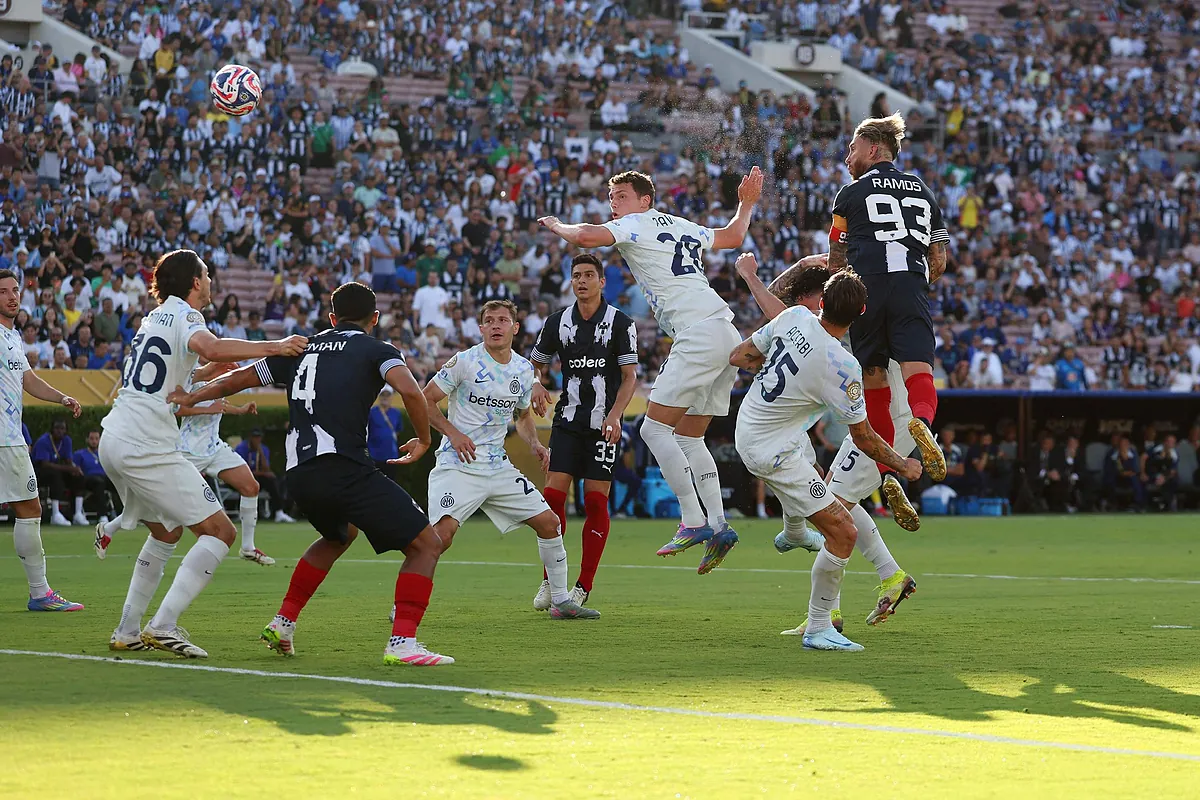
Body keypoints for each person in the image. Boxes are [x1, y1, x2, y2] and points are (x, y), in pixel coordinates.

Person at [169, 281, 453, 666]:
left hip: (300, 473)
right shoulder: (377, 349)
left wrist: (191, 396)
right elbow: (411, 391)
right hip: (344, 467)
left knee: (338, 535)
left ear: (332, 318)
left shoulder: (299, 347)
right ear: (375, 318)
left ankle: (283, 622)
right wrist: (423, 439)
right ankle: (402, 643)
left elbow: (237, 379)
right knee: (427, 545)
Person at [538, 167, 764, 573]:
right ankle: (718, 523)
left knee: (651, 429)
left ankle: (693, 521)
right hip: (725, 332)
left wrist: (556, 224)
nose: (614, 204)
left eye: (621, 195)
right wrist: (746, 203)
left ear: (644, 200)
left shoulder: (636, 223)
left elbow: (587, 236)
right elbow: (732, 237)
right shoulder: (678, 224)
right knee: (691, 437)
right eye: (612, 197)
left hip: (697, 332)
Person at [100, 249, 307, 658]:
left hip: (116, 436)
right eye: (207, 275)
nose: (211, 281)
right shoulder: (187, 316)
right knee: (220, 532)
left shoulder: (154, 318)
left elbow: (193, 365)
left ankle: (127, 629)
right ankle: (164, 625)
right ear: (195, 282)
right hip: (147, 446)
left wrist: (209, 375)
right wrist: (276, 346)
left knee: (166, 532)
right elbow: (209, 348)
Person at [728, 267, 921, 652]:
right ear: (861, 311)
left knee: (821, 477)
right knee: (843, 531)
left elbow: (741, 355)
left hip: (751, 424)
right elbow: (863, 436)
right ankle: (820, 626)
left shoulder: (794, 316)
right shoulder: (842, 365)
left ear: (820, 302)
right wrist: (903, 464)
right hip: (773, 450)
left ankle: (795, 533)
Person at [421, 299, 600, 619]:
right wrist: (453, 433)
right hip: (458, 464)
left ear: (515, 328)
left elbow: (521, 416)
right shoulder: (464, 361)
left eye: (502, 320)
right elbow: (426, 400)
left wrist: (535, 444)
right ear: (481, 328)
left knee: (550, 523)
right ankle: (406, 601)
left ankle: (560, 600)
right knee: (441, 537)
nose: (495, 326)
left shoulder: (522, 369)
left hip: (496, 464)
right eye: (488, 321)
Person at [830, 113, 948, 496]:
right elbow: (940, 258)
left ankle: (887, 473)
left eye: (852, 148)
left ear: (873, 147)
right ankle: (924, 427)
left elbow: (836, 256)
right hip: (911, 283)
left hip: (868, 287)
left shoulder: (849, 194)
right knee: (919, 370)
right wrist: (913, 282)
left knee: (874, 378)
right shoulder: (923, 190)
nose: (848, 156)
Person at [527, 253, 639, 608]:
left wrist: (617, 415)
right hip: (568, 423)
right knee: (554, 500)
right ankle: (550, 582)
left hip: (603, 426)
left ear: (602, 282)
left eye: (589, 275)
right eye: (576, 275)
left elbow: (629, 377)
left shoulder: (620, 323)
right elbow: (536, 364)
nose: (582, 281)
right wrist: (535, 383)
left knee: (594, 502)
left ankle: (583, 586)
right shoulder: (557, 322)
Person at [93, 367, 271, 564]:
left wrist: (241, 410)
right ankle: (108, 528)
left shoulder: (219, 380)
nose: (231, 364)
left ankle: (247, 548)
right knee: (156, 503)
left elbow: (219, 405)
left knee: (251, 487)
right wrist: (207, 409)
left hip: (214, 446)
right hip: (188, 449)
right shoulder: (191, 376)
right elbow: (176, 408)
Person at [0, 269, 86, 612]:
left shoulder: (13, 336)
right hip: (5, 440)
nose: (11, 296)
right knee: (30, 508)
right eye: (3, 291)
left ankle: (40, 593)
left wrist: (61, 397)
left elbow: (28, 380)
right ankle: (39, 593)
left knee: (28, 508)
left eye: (15, 290)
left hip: (9, 437)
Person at [32, 418, 88, 526]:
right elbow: (44, 464)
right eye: (57, 428)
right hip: (39, 472)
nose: (60, 431)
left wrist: (75, 468)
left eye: (62, 428)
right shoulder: (44, 441)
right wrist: (69, 469)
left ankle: (77, 513)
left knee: (78, 477)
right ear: (52, 429)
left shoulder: (66, 440)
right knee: (55, 476)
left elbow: (68, 460)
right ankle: (55, 514)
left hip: (57, 470)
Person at [234, 430, 295, 523]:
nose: (257, 439)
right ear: (250, 437)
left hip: (257, 478)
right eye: (255, 437)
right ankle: (243, 513)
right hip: (242, 477)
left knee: (272, 481)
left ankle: (279, 512)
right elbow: (242, 470)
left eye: (259, 437)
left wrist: (260, 451)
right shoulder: (242, 448)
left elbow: (266, 468)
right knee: (245, 484)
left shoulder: (263, 448)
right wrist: (262, 473)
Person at [72, 429, 119, 524]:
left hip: (104, 478)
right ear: (87, 440)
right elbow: (75, 469)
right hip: (88, 479)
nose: (94, 441)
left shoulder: (104, 454)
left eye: (97, 439)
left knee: (120, 482)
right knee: (99, 483)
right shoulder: (80, 454)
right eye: (92, 438)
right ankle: (103, 515)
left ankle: (123, 513)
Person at [368, 386, 404, 480]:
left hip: (391, 455)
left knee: (391, 480)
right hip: (374, 454)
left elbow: (398, 430)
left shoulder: (396, 413)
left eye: (387, 395)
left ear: (391, 397)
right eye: (383, 395)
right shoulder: (372, 412)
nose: (385, 397)